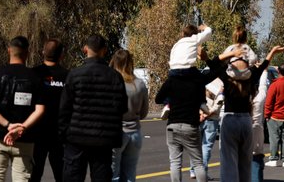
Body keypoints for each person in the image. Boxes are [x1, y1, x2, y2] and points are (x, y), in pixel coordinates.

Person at [156, 45, 241, 182]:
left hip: (173, 125)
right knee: (198, 162)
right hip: (190, 124)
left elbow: (157, 98)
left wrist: (171, 99)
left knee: (175, 163)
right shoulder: (197, 80)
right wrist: (213, 58)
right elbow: (215, 72)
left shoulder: (172, 80)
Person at [59, 34, 128, 182]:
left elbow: (64, 109)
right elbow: (122, 108)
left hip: (77, 139)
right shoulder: (115, 77)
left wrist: (65, 134)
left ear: (85, 49)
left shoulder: (74, 75)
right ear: (104, 50)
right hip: (103, 141)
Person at [219, 43, 284, 182]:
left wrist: (231, 54)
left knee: (228, 162)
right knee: (246, 163)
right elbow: (262, 71)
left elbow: (214, 64)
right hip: (246, 123)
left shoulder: (227, 79)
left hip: (230, 119)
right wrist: (272, 51)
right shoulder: (253, 85)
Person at [0, 36, 45, 182]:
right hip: (25, 139)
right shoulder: (35, 78)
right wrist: (21, 128)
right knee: (22, 178)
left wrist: (8, 125)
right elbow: (40, 110)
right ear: (27, 53)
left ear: (9, 50)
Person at [30, 39, 68, 182]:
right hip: (60, 133)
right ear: (61, 55)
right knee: (62, 174)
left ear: (42, 53)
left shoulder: (33, 74)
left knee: (34, 174)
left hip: (36, 132)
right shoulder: (68, 76)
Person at [110, 49, 149, 182]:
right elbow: (144, 113)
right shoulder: (140, 84)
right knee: (130, 174)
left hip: (117, 132)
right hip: (135, 132)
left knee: (114, 175)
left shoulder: (112, 83)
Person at [162, 24, 213, 118]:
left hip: (173, 69)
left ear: (183, 34)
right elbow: (208, 33)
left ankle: (167, 104)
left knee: (171, 85)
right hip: (188, 68)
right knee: (200, 80)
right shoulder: (194, 39)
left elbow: (171, 58)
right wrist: (204, 28)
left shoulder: (176, 44)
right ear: (194, 34)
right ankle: (202, 103)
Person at [199, 78, 224, 180]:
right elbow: (218, 105)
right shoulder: (220, 85)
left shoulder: (204, 85)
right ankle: (202, 172)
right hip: (212, 120)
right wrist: (208, 114)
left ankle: (193, 170)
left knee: (196, 146)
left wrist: (201, 113)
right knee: (206, 147)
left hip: (200, 119)